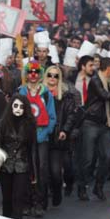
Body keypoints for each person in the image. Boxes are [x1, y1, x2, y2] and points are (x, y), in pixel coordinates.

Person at [77, 57, 110, 202]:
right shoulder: (96, 80)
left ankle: (98, 187)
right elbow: (105, 96)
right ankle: (82, 187)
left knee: (106, 157)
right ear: (108, 67)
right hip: (91, 122)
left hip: (105, 124)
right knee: (88, 159)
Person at [17, 61, 56, 215]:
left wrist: (46, 132)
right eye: (30, 72)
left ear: (40, 74)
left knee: (41, 169)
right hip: (25, 137)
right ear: (26, 74)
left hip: (41, 137)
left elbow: (52, 116)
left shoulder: (46, 93)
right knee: (26, 168)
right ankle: (27, 202)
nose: (33, 75)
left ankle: (40, 202)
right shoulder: (20, 92)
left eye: (36, 72)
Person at [44, 65, 80, 207]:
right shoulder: (40, 93)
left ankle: (57, 190)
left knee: (55, 172)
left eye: (56, 76)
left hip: (58, 138)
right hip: (42, 136)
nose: (52, 78)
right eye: (50, 75)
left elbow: (71, 115)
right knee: (42, 170)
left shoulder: (66, 96)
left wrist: (65, 130)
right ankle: (42, 198)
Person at [0, 95, 36, 219]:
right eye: (15, 105)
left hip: (22, 165)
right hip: (5, 166)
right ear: (11, 106)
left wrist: (34, 172)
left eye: (21, 106)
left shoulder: (30, 124)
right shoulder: (3, 123)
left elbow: (32, 148)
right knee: (7, 199)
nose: (18, 109)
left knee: (18, 198)